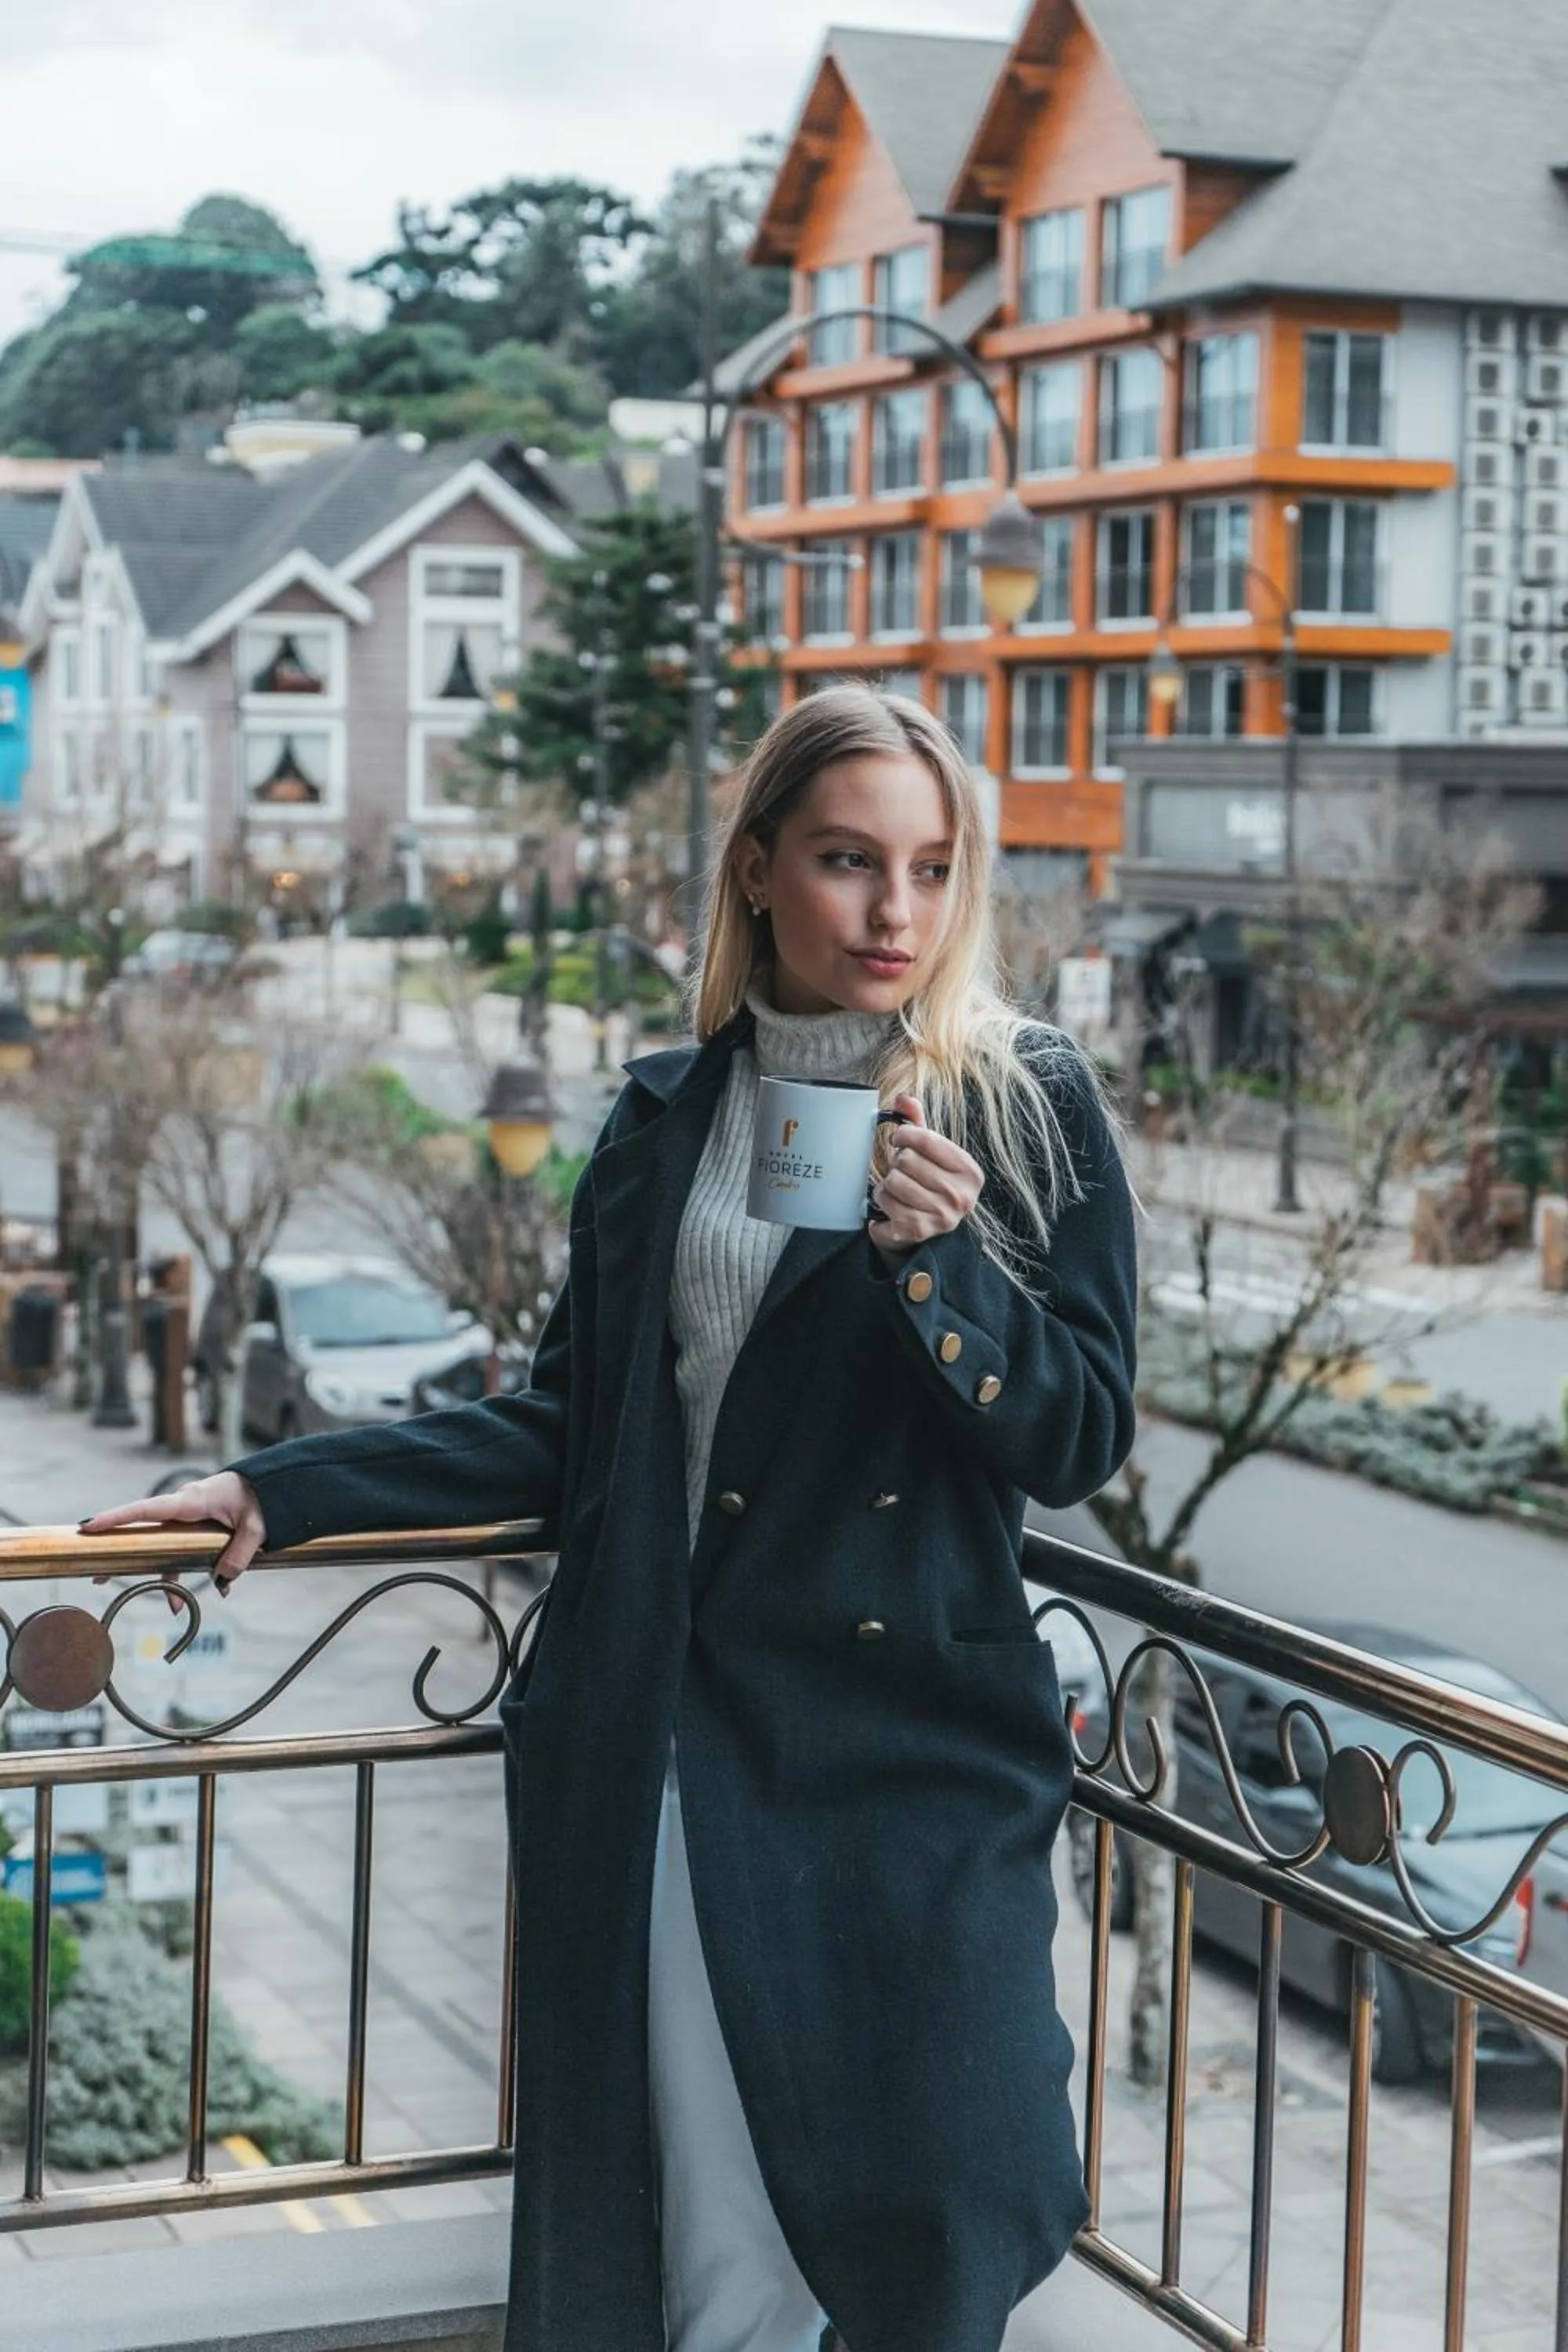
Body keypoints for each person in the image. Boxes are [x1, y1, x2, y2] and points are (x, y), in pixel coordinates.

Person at [83, 684, 1138, 2352]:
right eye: (850, 860)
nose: (894, 914)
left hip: (911, 1754)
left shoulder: (1019, 1104)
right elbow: (568, 1430)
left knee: (944, 2201)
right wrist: (275, 1491)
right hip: (673, 1734)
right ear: (757, 873)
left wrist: (935, 1271)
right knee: (715, 2245)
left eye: (933, 870)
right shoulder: (665, 1123)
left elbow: (1075, 1434)